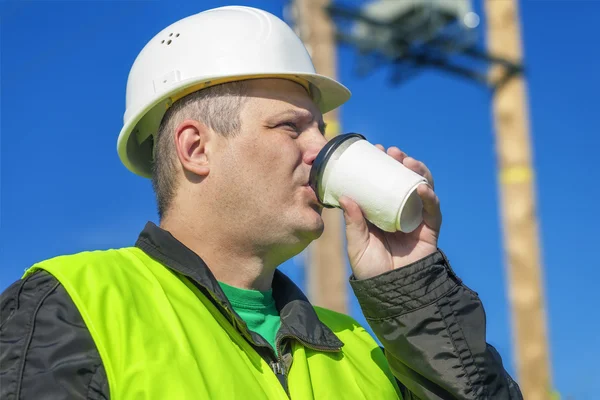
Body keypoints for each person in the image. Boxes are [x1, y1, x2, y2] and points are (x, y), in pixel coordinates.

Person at [0, 6, 522, 400]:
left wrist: (413, 289)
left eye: (320, 128)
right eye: (289, 127)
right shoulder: (71, 307)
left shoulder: (362, 351)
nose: (321, 149)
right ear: (195, 148)